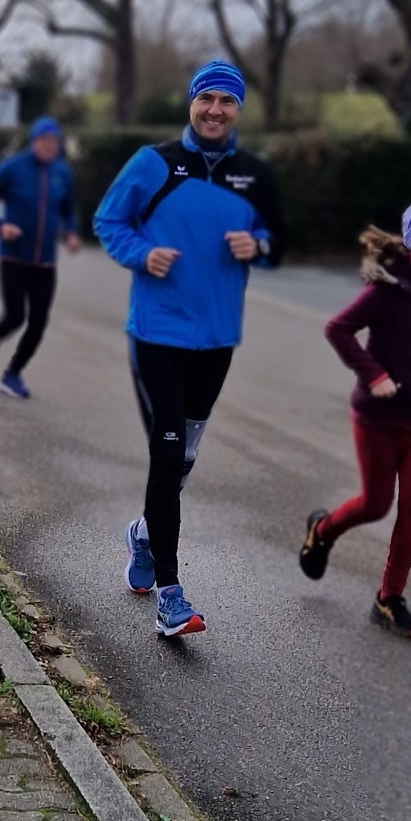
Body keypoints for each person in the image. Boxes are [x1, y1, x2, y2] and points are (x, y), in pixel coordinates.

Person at [94, 60, 283, 637]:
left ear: (238, 109)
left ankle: (143, 535)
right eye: (207, 99)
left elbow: (277, 242)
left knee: (186, 457)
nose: (215, 111)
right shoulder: (154, 163)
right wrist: (141, 254)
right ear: (192, 103)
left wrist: (259, 246)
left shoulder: (253, 173)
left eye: (227, 101)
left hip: (218, 339)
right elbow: (109, 221)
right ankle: (171, 596)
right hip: (157, 334)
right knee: (168, 451)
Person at [299, 200, 411, 640]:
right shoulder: (391, 288)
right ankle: (323, 530)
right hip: (379, 422)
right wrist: (373, 375)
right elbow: (338, 329)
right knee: (376, 505)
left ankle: (389, 599)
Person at [0, 117, 81, 400]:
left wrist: (71, 232)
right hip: (14, 257)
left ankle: (13, 373)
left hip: (45, 262)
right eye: (43, 141)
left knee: (39, 322)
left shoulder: (62, 172)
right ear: (34, 142)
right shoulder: (14, 168)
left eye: (53, 142)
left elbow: (68, 209)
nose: (48, 146)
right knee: (15, 316)